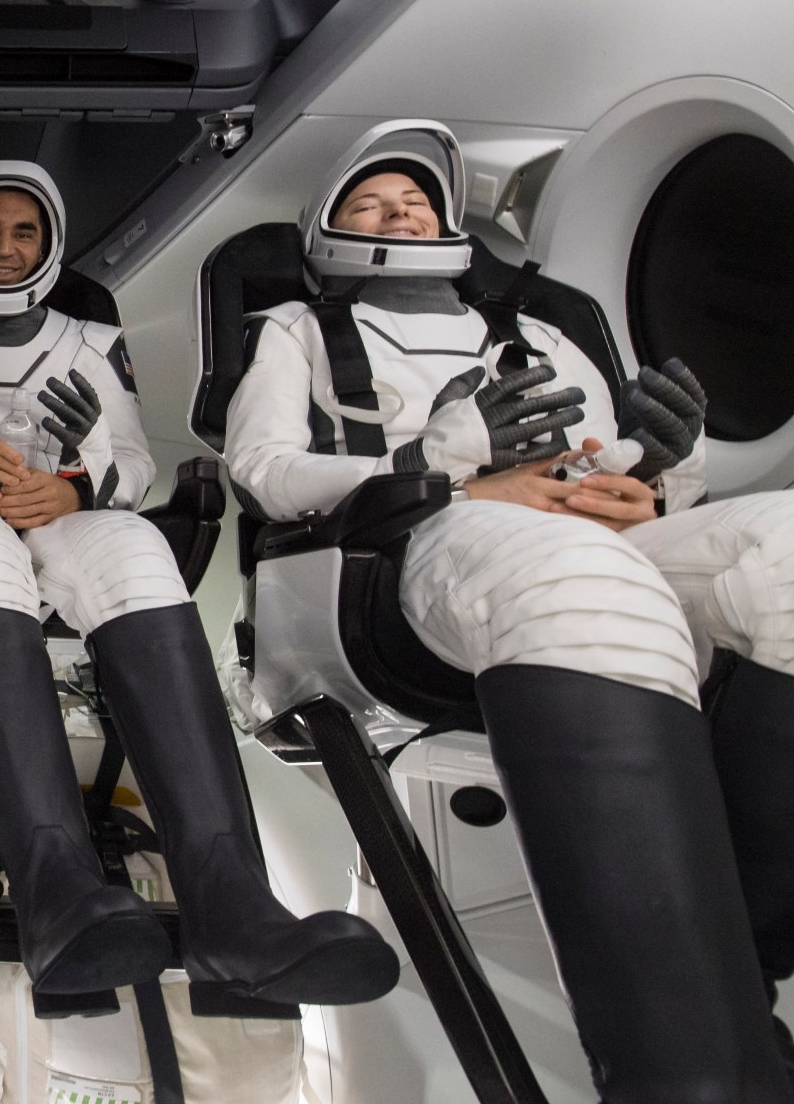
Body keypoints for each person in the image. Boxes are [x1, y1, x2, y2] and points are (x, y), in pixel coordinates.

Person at [224, 120, 794, 1102]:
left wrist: (658, 474)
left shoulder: (545, 330)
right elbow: (264, 473)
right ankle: (675, 1079)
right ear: (327, 229)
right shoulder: (297, 330)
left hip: (592, 522)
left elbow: (607, 457)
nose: (396, 212)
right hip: (405, 543)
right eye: (369, 203)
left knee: (782, 549)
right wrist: (437, 464)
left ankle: (745, 960)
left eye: (412, 202)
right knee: (576, 581)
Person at [0, 161, 397, 1018]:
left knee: (136, 548)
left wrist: (76, 488)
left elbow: (132, 462)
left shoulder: (90, 340)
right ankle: (56, 895)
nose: (6, 246)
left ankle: (235, 906)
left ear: (50, 243)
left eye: (26, 231)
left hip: (62, 506)